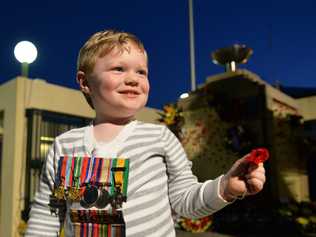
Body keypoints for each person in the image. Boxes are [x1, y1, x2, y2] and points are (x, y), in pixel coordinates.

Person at [26, 29, 266, 237]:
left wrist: (224, 187)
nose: (133, 79)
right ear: (85, 82)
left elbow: (185, 201)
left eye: (141, 72)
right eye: (118, 69)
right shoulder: (65, 145)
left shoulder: (159, 139)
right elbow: (48, 213)